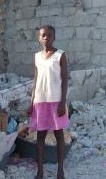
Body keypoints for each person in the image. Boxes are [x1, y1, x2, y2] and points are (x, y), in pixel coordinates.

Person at [29, 25, 69, 179]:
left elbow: (65, 80)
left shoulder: (60, 55)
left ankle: (60, 170)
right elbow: (35, 79)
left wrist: (62, 103)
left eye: (49, 35)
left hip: (56, 101)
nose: (46, 38)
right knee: (40, 136)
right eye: (43, 35)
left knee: (59, 135)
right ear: (39, 38)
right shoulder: (37, 56)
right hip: (40, 101)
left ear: (54, 37)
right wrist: (31, 102)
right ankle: (40, 171)